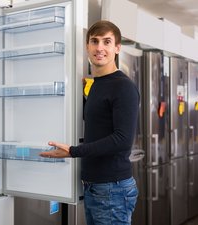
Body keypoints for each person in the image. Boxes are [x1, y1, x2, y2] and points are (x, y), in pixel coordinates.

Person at [40, 20, 139, 225]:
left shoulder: (123, 87)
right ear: (87, 47)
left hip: (112, 188)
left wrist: (74, 151)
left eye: (107, 42)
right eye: (94, 41)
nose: (100, 47)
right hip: (96, 186)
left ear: (117, 48)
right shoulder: (96, 85)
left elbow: (122, 140)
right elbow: (98, 123)